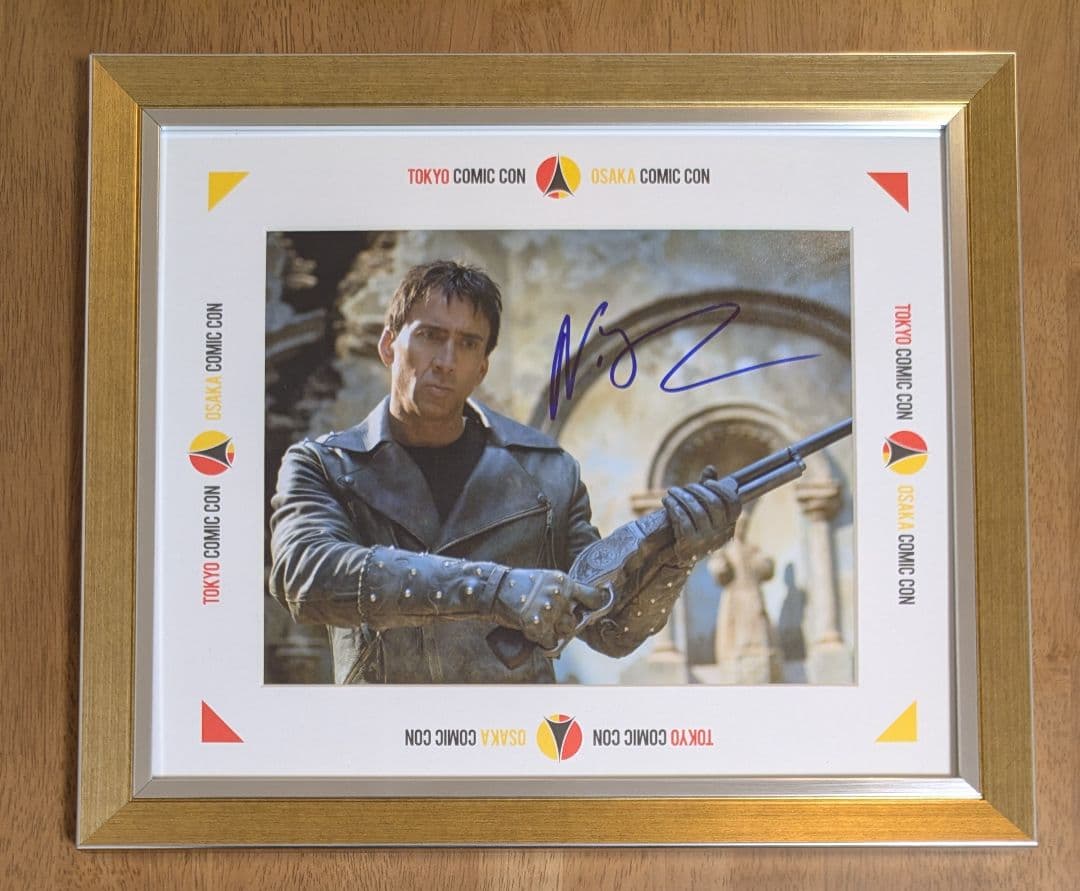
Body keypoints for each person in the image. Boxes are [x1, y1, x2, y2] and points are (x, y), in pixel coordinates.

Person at [269, 260, 740, 683]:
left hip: (512, 732)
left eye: (467, 344)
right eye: (430, 335)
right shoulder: (322, 465)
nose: (446, 362)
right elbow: (305, 575)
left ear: (482, 368)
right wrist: (496, 590)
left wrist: (677, 558)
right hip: (387, 732)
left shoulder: (547, 471)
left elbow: (610, 631)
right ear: (389, 345)